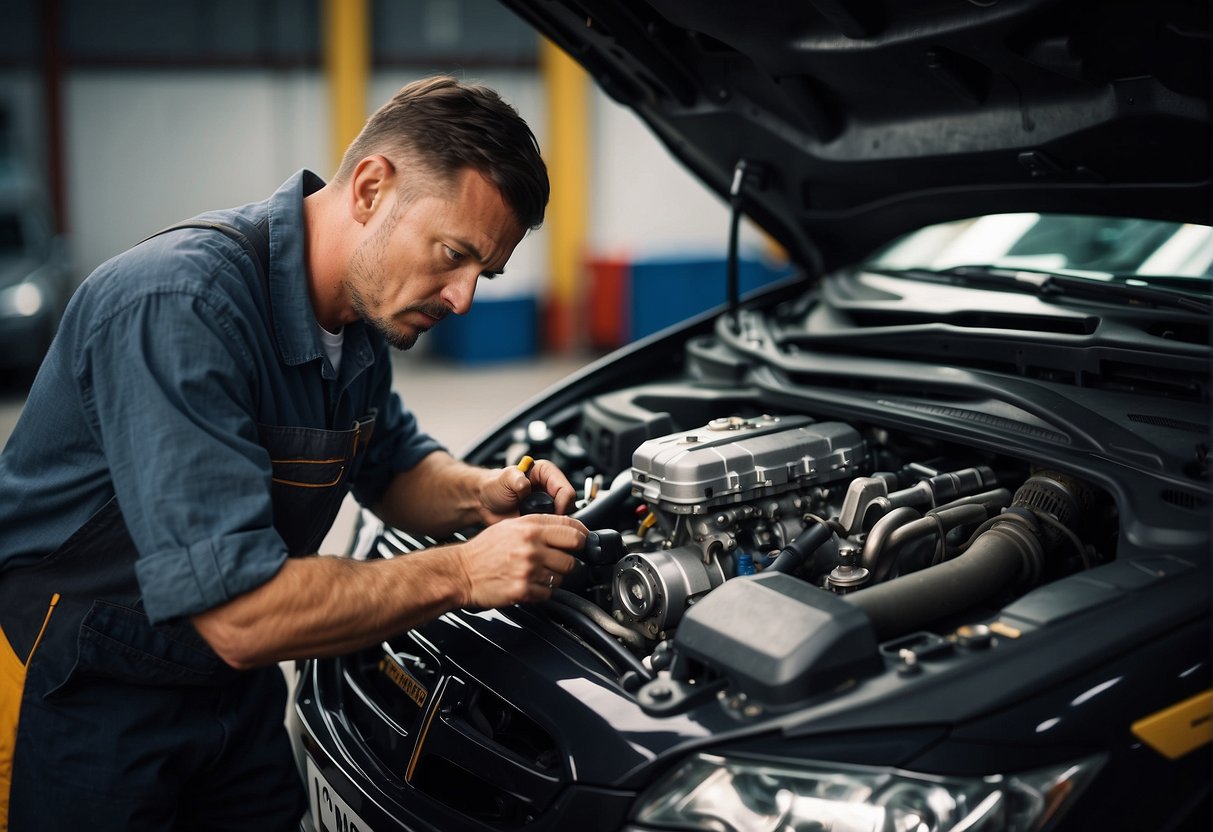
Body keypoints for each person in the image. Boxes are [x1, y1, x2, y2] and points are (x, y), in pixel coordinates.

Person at [0, 75, 586, 830]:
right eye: (452, 254)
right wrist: (468, 570)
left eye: (485, 274)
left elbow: (396, 465)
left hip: (227, 696)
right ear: (372, 188)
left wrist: (486, 495)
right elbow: (240, 615)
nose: (463, 298)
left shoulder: (360, 323)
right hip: (76, 695)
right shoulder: (179, 307)